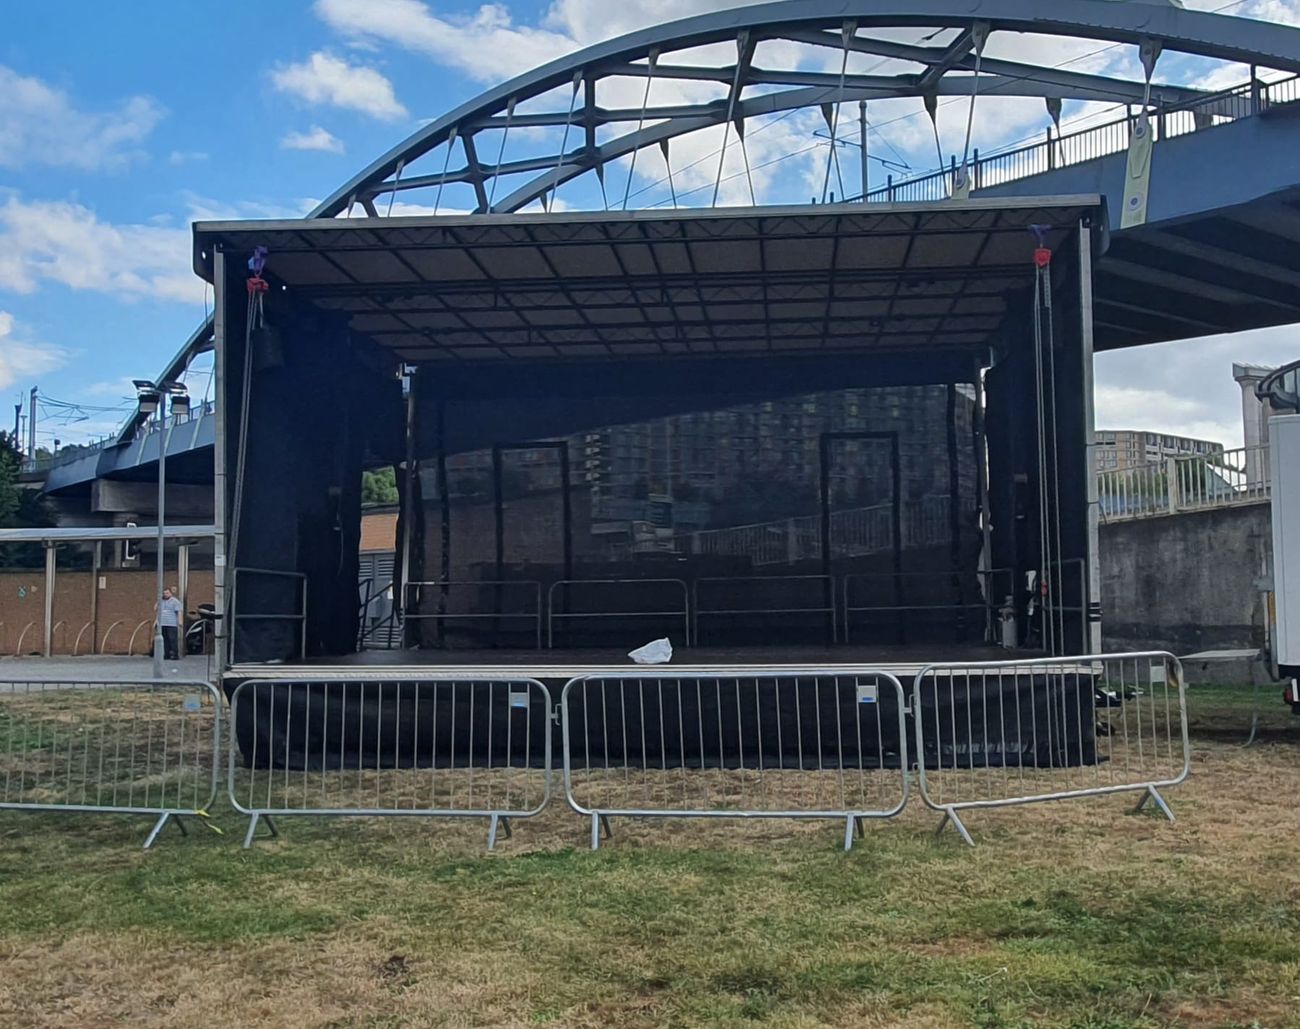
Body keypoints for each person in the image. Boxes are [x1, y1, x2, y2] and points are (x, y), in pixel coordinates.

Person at [156, 587, 183, 662]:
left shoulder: (175, 601)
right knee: (165, 640)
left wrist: (180, 621)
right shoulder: (161, 601)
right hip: (162, 623)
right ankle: (166, 654)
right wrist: (159, 601)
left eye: (167, 593)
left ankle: (175, 654)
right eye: (164, 593)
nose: (165, 595)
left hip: (171, 623)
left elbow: (179, 611)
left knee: (173, 639)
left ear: (171, 593)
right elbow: (155, 609)